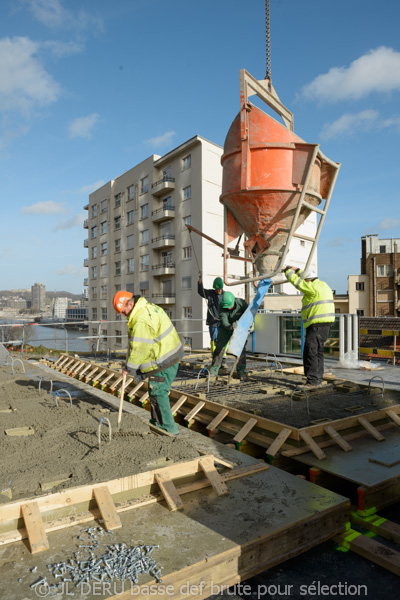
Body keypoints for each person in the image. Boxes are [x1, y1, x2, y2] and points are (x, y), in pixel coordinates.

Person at [113, 291, 183, 434]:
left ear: (130, 304)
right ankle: (158, 422)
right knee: (155, 391)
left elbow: (140, 348)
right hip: (169, 353)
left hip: (164, 359)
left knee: (158, 391)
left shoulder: (141, 319)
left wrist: (128, 368)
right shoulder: (147, 308)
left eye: (123, 311)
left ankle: (169, 429)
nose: (123, 314)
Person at [283, 267, 335, 389]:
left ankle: (313, 382)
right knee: (317, 352)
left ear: (308, 280)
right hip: (324, 326)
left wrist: (287, 271)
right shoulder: (322, 285)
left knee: (310, 352)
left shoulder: (311, 287)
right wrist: (298, 270)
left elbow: (298, 283)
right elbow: (305, 278)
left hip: (316, 325)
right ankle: (316, 379)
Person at [209, 291, 249, 381]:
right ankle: (214, 370)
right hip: (225, 328)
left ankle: (241, 371)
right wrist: (231, 327)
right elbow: (224, 321)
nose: (228, 309)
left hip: (240, 327)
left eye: (230, 306)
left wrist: (248, 325)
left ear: (234, 302)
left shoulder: (242, 303)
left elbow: (249, 314)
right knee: (219, 348)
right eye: (226, 307)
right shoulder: (222, 306)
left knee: (241, 349)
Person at [197, 276, 224, 353]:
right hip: (213, 322)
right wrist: (200, 282)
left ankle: (223, 357)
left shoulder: (225, 296)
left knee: (222, 339)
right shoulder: (210, 294)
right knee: (214, 339)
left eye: (219, 289)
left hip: (222, 322)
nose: (218, 290)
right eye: (216, 289)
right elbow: (201, 291)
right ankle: (214, 356)